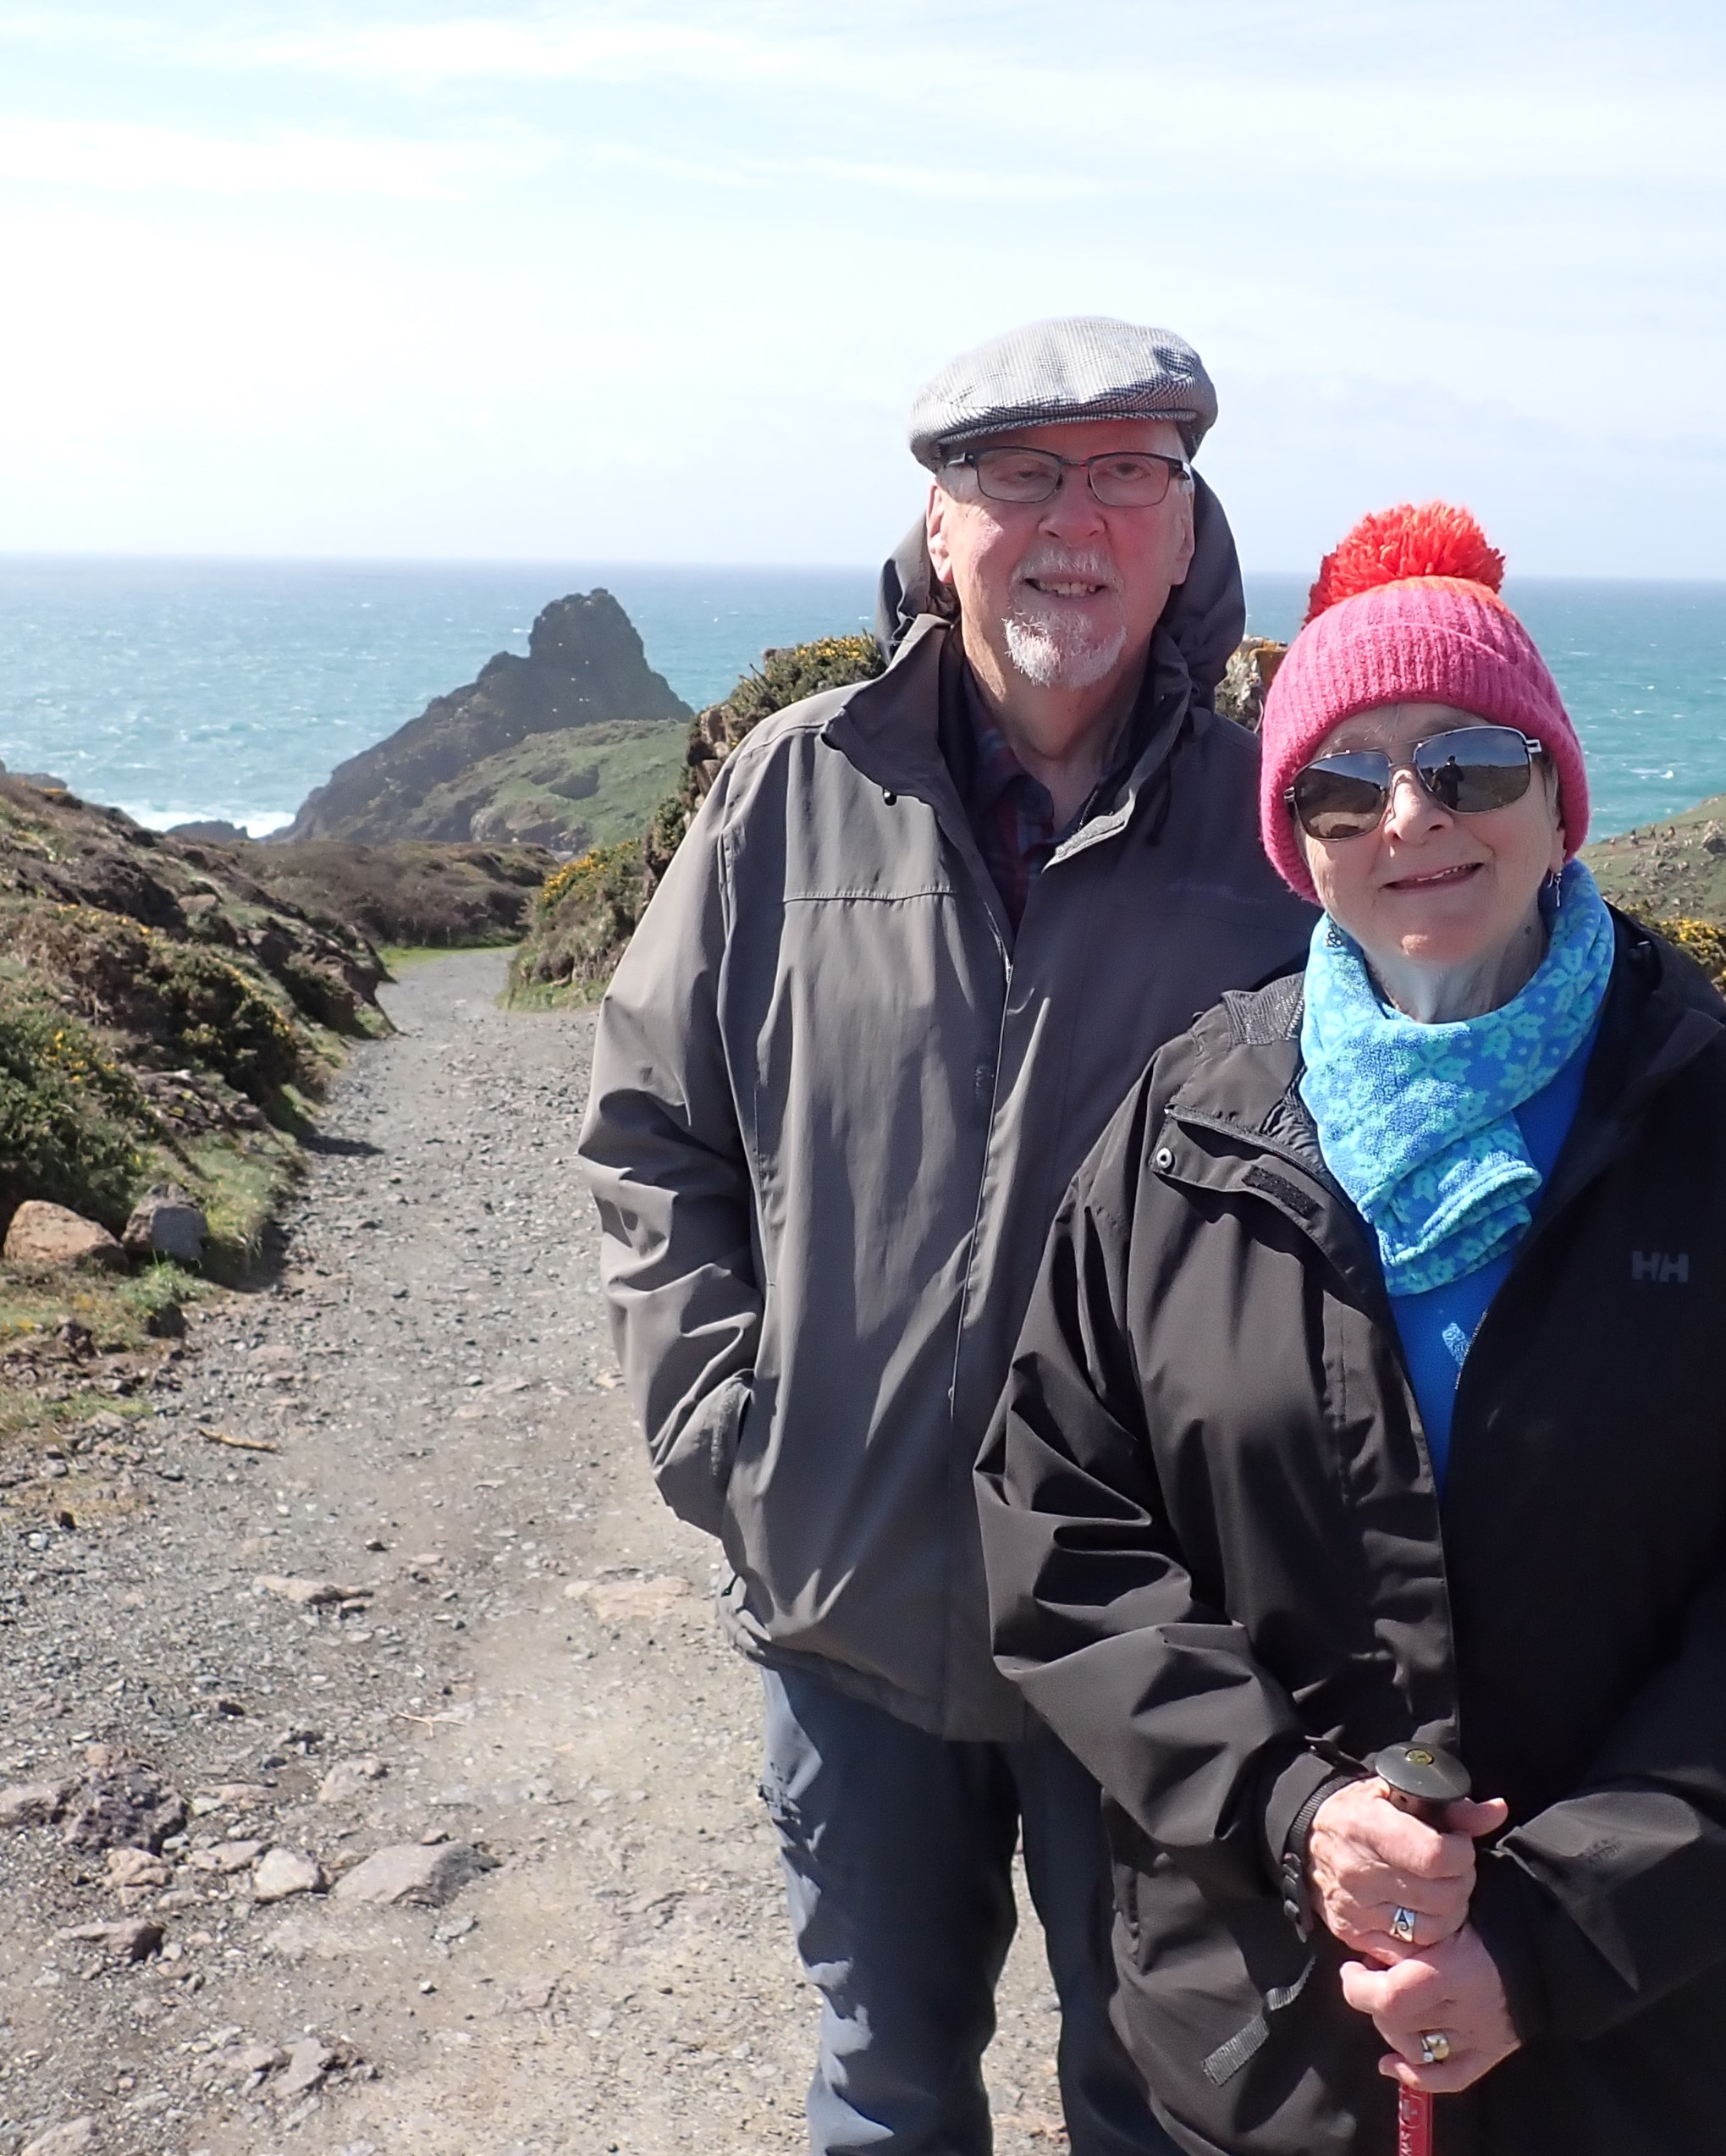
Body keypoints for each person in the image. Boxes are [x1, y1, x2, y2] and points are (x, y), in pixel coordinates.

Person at [977, 502, 1726, 2154]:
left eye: (1470, 763)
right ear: (1297, 839)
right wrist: (1294, 1812)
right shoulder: (1184, 1129)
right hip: (1269, 2049)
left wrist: (1550, 1936)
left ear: (1560, 797)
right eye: (1341, 786)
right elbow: (1059, 1522)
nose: (1409, 816)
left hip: (1651, 2053)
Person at [576, 318, 1315, 2154]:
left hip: (1157, 1635)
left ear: (1185, 524)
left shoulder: (1271, 832)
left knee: (1157, 2102)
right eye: (1018, 475)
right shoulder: (788, 787)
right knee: (887, 2089)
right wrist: (722, 1430)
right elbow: (654, 1124)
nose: (1073, 524)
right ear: (938, 520)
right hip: (849, 1601)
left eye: (1127, 473)